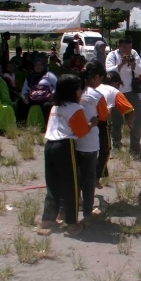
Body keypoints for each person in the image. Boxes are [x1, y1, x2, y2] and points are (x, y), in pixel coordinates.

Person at [42, 74, 98, 237]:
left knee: (52, 183)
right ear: (73, 91)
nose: (81, 91)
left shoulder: (55, 107)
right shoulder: (75, 108)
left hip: (49, 145)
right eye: (79, 89)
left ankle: (47, 220)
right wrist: (92, 123)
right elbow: (81, 132)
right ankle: (72, 224)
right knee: (72, 184)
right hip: (64, 147)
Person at [77, 61, 110, 225]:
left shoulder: (76, 91)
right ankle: (88, 214)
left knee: (75, 176)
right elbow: (103, 116)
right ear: (96, 77)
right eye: (101, 79)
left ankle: (73, 205)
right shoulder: (96, 96)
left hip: (72, 139)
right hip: (89, 141)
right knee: (88, 178)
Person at [95, 70, 135, 189]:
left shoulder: (95, 87)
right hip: (101, 122)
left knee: (89, 151)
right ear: (117, 83)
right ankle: (95, 178)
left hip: (86, 120)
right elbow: (130, 110)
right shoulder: (114, 91)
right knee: (105, 150)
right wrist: (130, 123)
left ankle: (98, 175)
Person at [105, 37, 141, 154]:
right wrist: (122, 63)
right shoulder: (112, 55)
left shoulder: (134, 54)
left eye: (129, 47)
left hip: (131, 91)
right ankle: (116, 143)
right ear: (119, 47)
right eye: (124, 47)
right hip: (116, 92)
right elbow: (109, 71)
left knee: (137, 118)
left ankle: (135, 145)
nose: (127, 50)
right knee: (116, 120)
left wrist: (132, 63)